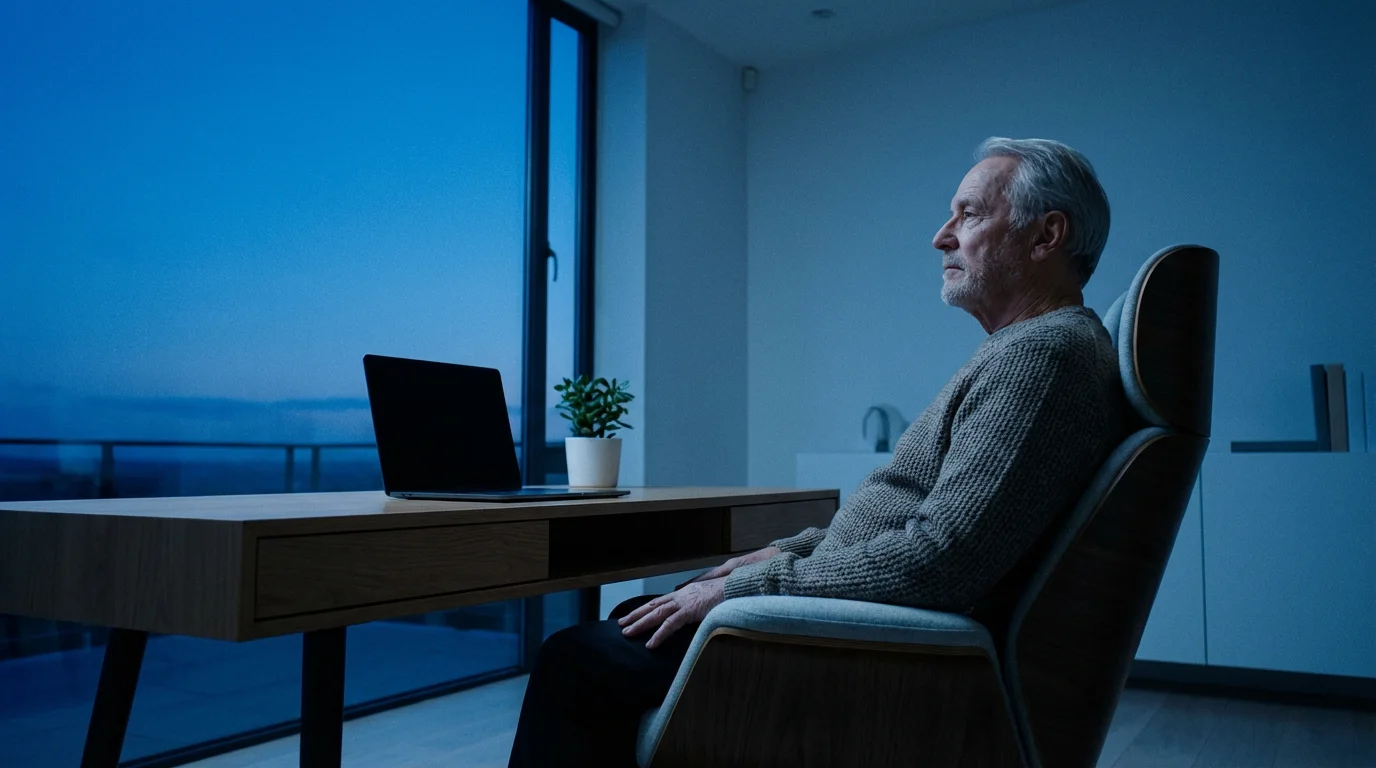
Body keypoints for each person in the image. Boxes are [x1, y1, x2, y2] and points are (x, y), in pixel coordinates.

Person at [507, 137, 1128, 767]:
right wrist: (787, 549)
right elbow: (915, 524)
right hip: (837, 615)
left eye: (968, 215)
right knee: (635, 617)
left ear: (1046, 235)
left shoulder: (1044, 357)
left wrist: (747, 588)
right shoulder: (1031, 350)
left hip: (864, 655)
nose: (941, 237)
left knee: (576, 660)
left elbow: (944, 559)